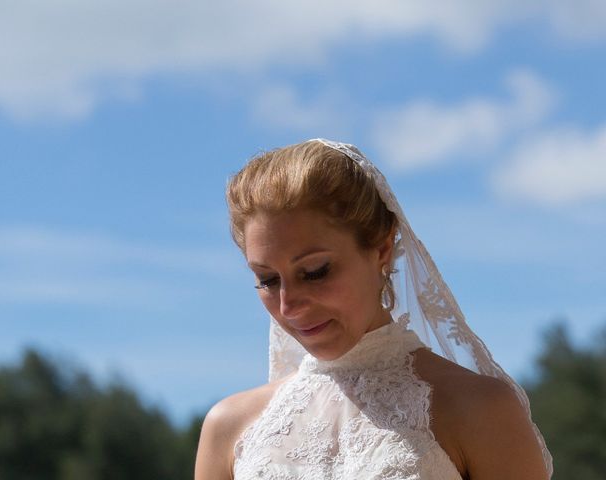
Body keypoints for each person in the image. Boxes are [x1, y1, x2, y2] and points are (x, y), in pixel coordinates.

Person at [195, 139, 553, 479]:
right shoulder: (229, 428)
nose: (289, 306)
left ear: (381, 249)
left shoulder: (480, 409)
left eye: (315, 272)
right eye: (268, 280)